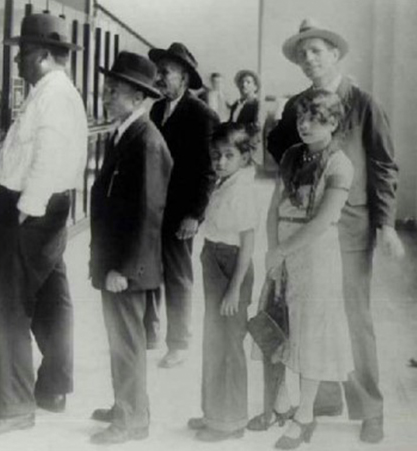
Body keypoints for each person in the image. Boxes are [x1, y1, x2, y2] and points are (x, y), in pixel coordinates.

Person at [252, 19, 403, 444]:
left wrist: (386, 223)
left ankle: (370, 409)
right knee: (303, 318)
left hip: (348, 227)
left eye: (316, 50)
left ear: (336, 53)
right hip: (301, 231)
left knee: (352, 317)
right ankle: (322, 399)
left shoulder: (364, 103)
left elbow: (384, 166)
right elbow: (281, 151)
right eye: (302, 54)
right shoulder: (298, 105)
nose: (308, 59)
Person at [0, 13, 87, 435]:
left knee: (9, 307)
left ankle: (15, 407)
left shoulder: (52, 96)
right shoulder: (56, 91)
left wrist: (28, 205)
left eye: (22, 53)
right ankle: (54, 386)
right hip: (45, 208)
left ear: (39, 55)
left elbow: (49, 153)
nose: (16, 60)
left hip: (30, 209)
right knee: (53, 298)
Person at [89, 51, 172, 445]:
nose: (105, 96)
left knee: (127, 344)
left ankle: (132, 419)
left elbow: (148, 214)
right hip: (117, 262)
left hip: (127, 267)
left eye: (113, 91)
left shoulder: (146, 143)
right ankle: (126, 404)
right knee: (120, 342)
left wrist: (124, 267)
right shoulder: (126, 134)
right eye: (107, 89)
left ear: (139, 98)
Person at [266, 89, 354, 449]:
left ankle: (305, 415)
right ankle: (283, 398)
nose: (304, 125)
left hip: (316, 256)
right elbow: (274, 207)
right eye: (301, 118)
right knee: (283, 325)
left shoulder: (340, 164)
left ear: (333, 123)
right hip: (284, 251)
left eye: (314, 119)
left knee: (312, 333)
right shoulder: (290, 156)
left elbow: (324, 220)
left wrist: (284, 249)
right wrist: (273, 250)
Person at [147, 42, 219, 368]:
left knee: (177, 275)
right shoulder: (156, 110)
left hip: (180, 211)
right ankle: (149, 331)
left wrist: (195, 214)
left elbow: (209, 171)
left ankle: (179, 343)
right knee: (147, 267)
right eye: (158, 71)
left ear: (184, 77)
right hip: (152, 208)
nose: (158, 78)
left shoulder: (203, 115)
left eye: (165, 72)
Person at [187, 123, 257, 443]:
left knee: (229, 345)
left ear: (245, 156)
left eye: (229, 155)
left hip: (232, 268)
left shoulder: (244, 188)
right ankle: (213, 412)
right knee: (213, 340)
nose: (221, 161)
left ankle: (230, 422)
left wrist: (233, 289)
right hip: (214, 259)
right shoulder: (224, 183)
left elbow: (248, 246)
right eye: (217, 155)